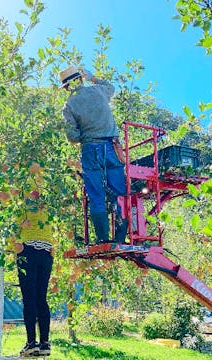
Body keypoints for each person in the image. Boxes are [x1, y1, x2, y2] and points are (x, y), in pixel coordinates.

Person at [59, 65, 128, 244]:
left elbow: (72, 137)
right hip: (112, 147)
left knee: (96, 195)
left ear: (66, 86)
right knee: (119, 192)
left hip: (90, 149)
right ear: (81, 78)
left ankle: (103, 239)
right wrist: (93, 78)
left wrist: (87, 134)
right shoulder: (99, 91)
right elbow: (112, 87)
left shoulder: (69, 105)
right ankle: (120, 237)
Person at [14, 173, 54, 357]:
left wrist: (14, 247)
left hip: (28, 250)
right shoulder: (47, 207)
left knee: (29, 298)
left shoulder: (25, 205)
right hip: (46, 252)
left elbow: (16, 226)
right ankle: (45, 343)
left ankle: (31, 343)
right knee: (41, 299)